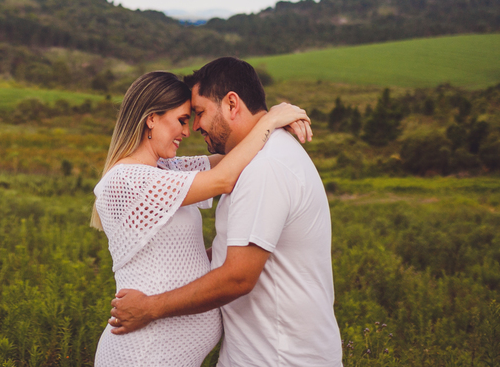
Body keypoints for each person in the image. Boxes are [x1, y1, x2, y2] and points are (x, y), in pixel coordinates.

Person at [108, 57, 342, 367]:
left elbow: (237, 277)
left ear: (232, 104)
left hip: (279, 359)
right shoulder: (137, 176)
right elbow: (223, 177)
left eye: (198, 113)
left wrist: (151, 307)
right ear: (151, 119)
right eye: (183, 119)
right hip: (227, 355)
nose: (193, 128)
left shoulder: (264, 166)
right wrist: (268, 122)